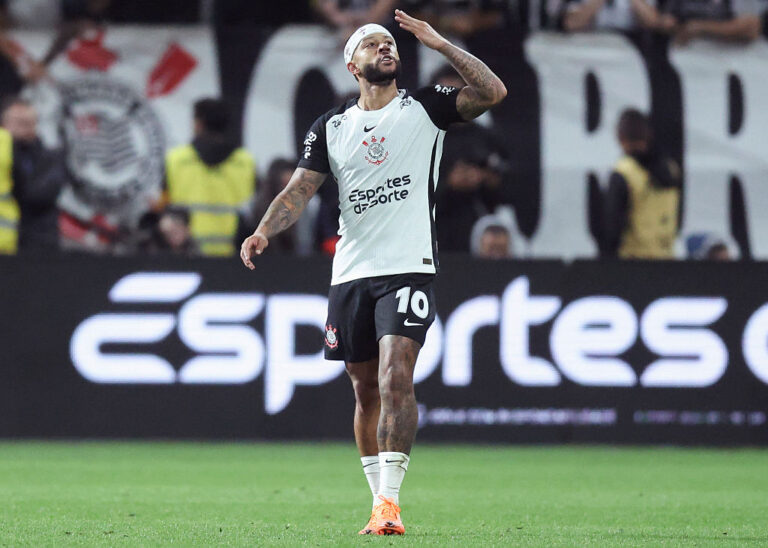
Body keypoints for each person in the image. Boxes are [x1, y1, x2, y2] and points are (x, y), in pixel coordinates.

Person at [240, 11, 506, 536]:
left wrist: (440, 43)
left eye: (390, 43)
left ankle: (390, 503)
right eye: (373, 44)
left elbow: (493, 92)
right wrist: (264, 230)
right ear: (352, 65)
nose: (386, 48)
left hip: (409, 267)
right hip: (352, 271)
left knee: (395, 375)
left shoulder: (426, 107)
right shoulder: (331, 127)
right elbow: (300, 189)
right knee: (365, 390)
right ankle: (376, 500)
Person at [432, 64, 510, 253]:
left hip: (478, 232)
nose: (451, 102)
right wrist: (448, 184)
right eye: (445, 95)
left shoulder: (485, 138)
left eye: (456, 94)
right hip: (434, 232)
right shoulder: (425, 137)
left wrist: (484, 178)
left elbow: (508, 187)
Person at [165, 98, 256, 257]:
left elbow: (162, 208)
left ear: (198, 123)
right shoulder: (244, 162)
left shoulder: (176, 159)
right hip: (235, 257)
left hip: (185, 255)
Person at [603, 108, 681, 259]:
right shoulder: (672, 169)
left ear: (620, 137)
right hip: (667, 260)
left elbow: (613, 226)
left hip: (632, 261)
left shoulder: (623, 172)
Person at [2, 97, 66, 253]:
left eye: (29, 123)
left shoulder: (48, 156)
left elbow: (36, 194)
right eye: (18, 122)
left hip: (37, 242)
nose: (24, 129)